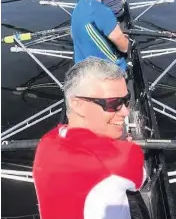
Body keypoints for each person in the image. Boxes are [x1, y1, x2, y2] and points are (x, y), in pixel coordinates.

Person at [33, 57, 146, 219]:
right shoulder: (121, 157)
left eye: (126, 100)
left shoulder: (46, 142)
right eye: (113, 103)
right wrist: (120, 146)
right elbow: (139, 182)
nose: (125, 112)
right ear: (77, 104)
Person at [71, 0, 129, 71]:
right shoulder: (103, 12)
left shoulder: (79, 5)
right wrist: (126, 40)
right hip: (107, 74)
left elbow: (74, 36)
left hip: (82, 71)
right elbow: (124, 47)